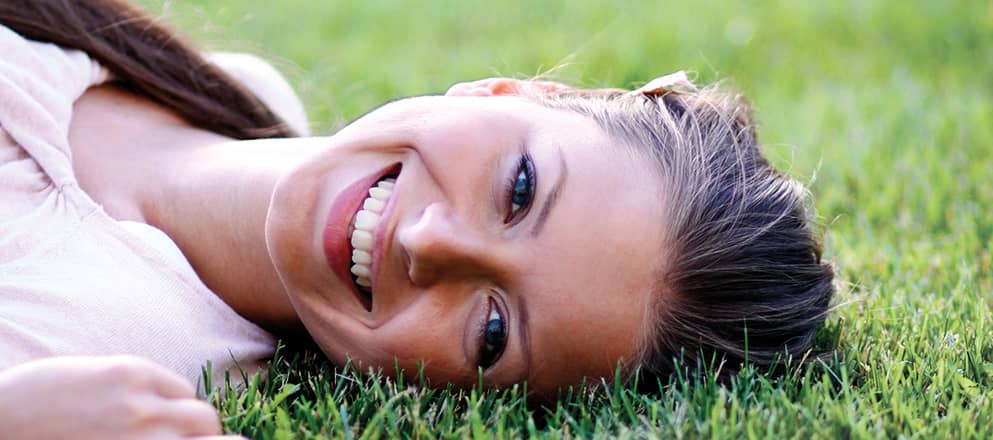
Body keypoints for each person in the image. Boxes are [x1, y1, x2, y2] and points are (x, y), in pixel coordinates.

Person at [0, 0, 834, 437]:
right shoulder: (236, 88)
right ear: (529, 93)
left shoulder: (93, 336)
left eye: (492, 332)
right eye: (517, 190)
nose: (428, 241)